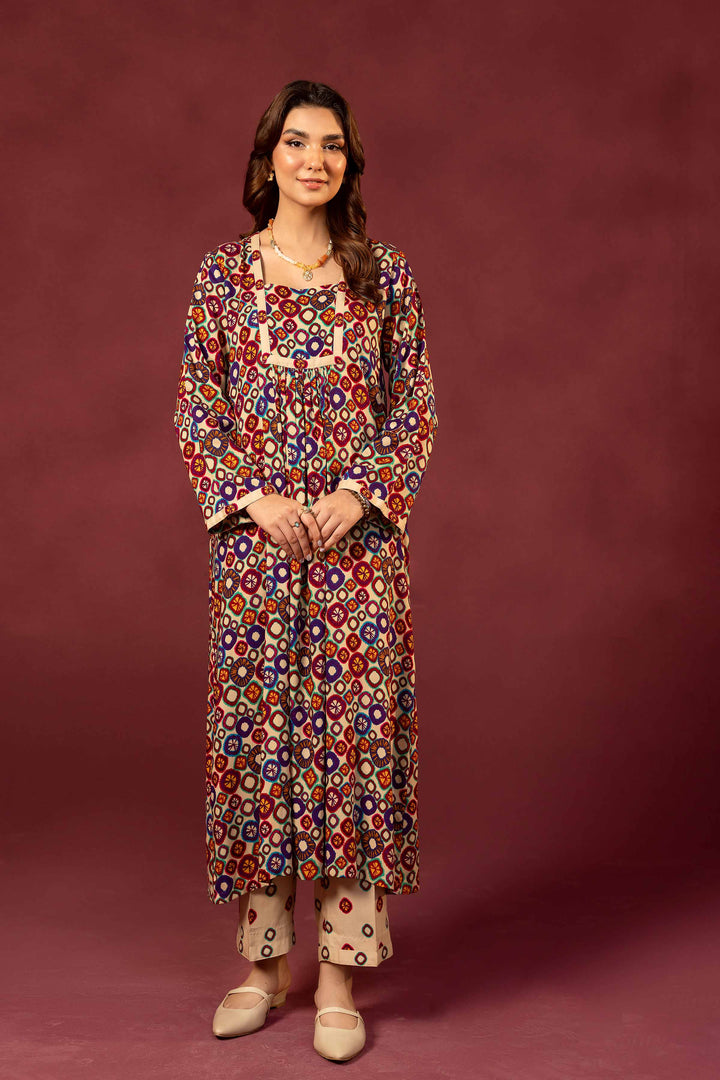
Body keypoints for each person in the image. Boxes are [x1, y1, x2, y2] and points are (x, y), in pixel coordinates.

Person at [173, 79, 439, 1062]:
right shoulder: (221, 278)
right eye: (297, 141)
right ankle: (260, 970)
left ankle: (338, 979)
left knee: (351, 757)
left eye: (331, 145)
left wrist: (360, 495)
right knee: (262, 753)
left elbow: (414, 409)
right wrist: (254, 499)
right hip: (258, 559)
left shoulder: (385, 277)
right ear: (268, 156)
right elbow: (197, 409)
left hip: (356, 560)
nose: (314, 159)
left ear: (348, 163)